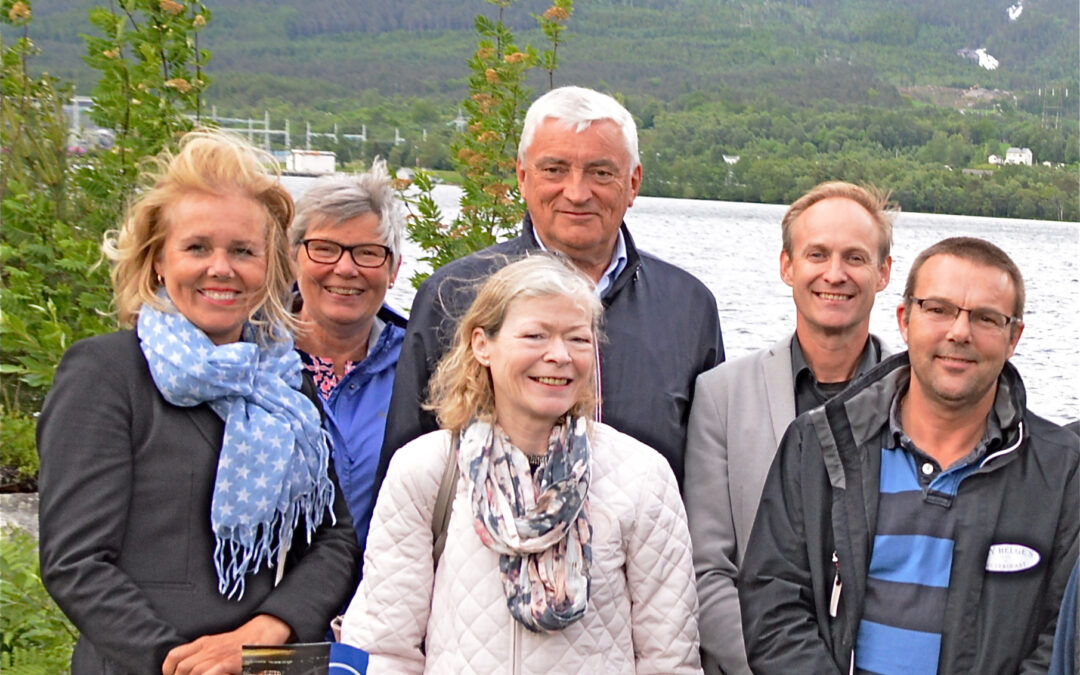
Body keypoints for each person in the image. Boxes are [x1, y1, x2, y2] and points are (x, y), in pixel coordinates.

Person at [37, 130, 360, 675]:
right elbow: (76, 562)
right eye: (196, 248)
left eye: (242, 251)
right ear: (158, 261)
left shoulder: (283, 385)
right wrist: (178, 662)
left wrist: (266, 632)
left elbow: (334, 539)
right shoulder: (106, 374)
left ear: (269, 268)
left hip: (259, 665)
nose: (222, 268)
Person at [342, 255, 703, 673]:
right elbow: (385, 649)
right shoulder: (427, 470)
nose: (559, 356)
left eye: (577, 339)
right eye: (535, 335)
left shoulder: (641, 476)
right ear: (483, 344)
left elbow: (669, 659)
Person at [738, 237, 1079, 674]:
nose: (959, 332)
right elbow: (773, 602)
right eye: (938, 309)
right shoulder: (820, 444)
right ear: (904, 319)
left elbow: (1063, 640)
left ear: (1014, 337)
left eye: (986, 318)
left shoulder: (1064, 470)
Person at [379, 85, 723, 489]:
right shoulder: (454, 295)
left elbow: (709, 482)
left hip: (645, 549)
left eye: (601, 172)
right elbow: (405, 473)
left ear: (633, 183)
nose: (577, 193)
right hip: (482, 548)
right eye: (555, 169)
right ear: (523, 178)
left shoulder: (688, 306)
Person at [684, 181, 894, 674]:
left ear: (884, 273)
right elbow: (707, 570)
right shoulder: (723, 395)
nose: (834, 274)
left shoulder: (919, 400)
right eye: (817, 254)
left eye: (856, 258)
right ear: (787, 266)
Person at [288, 159, 407, 551]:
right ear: (293, 258)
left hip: (385, 602)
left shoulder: (424, 370)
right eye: (324, 249)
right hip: (262, 605)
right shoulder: (245, 360)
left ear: (393, 269)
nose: (345, 268)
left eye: (368, 253)